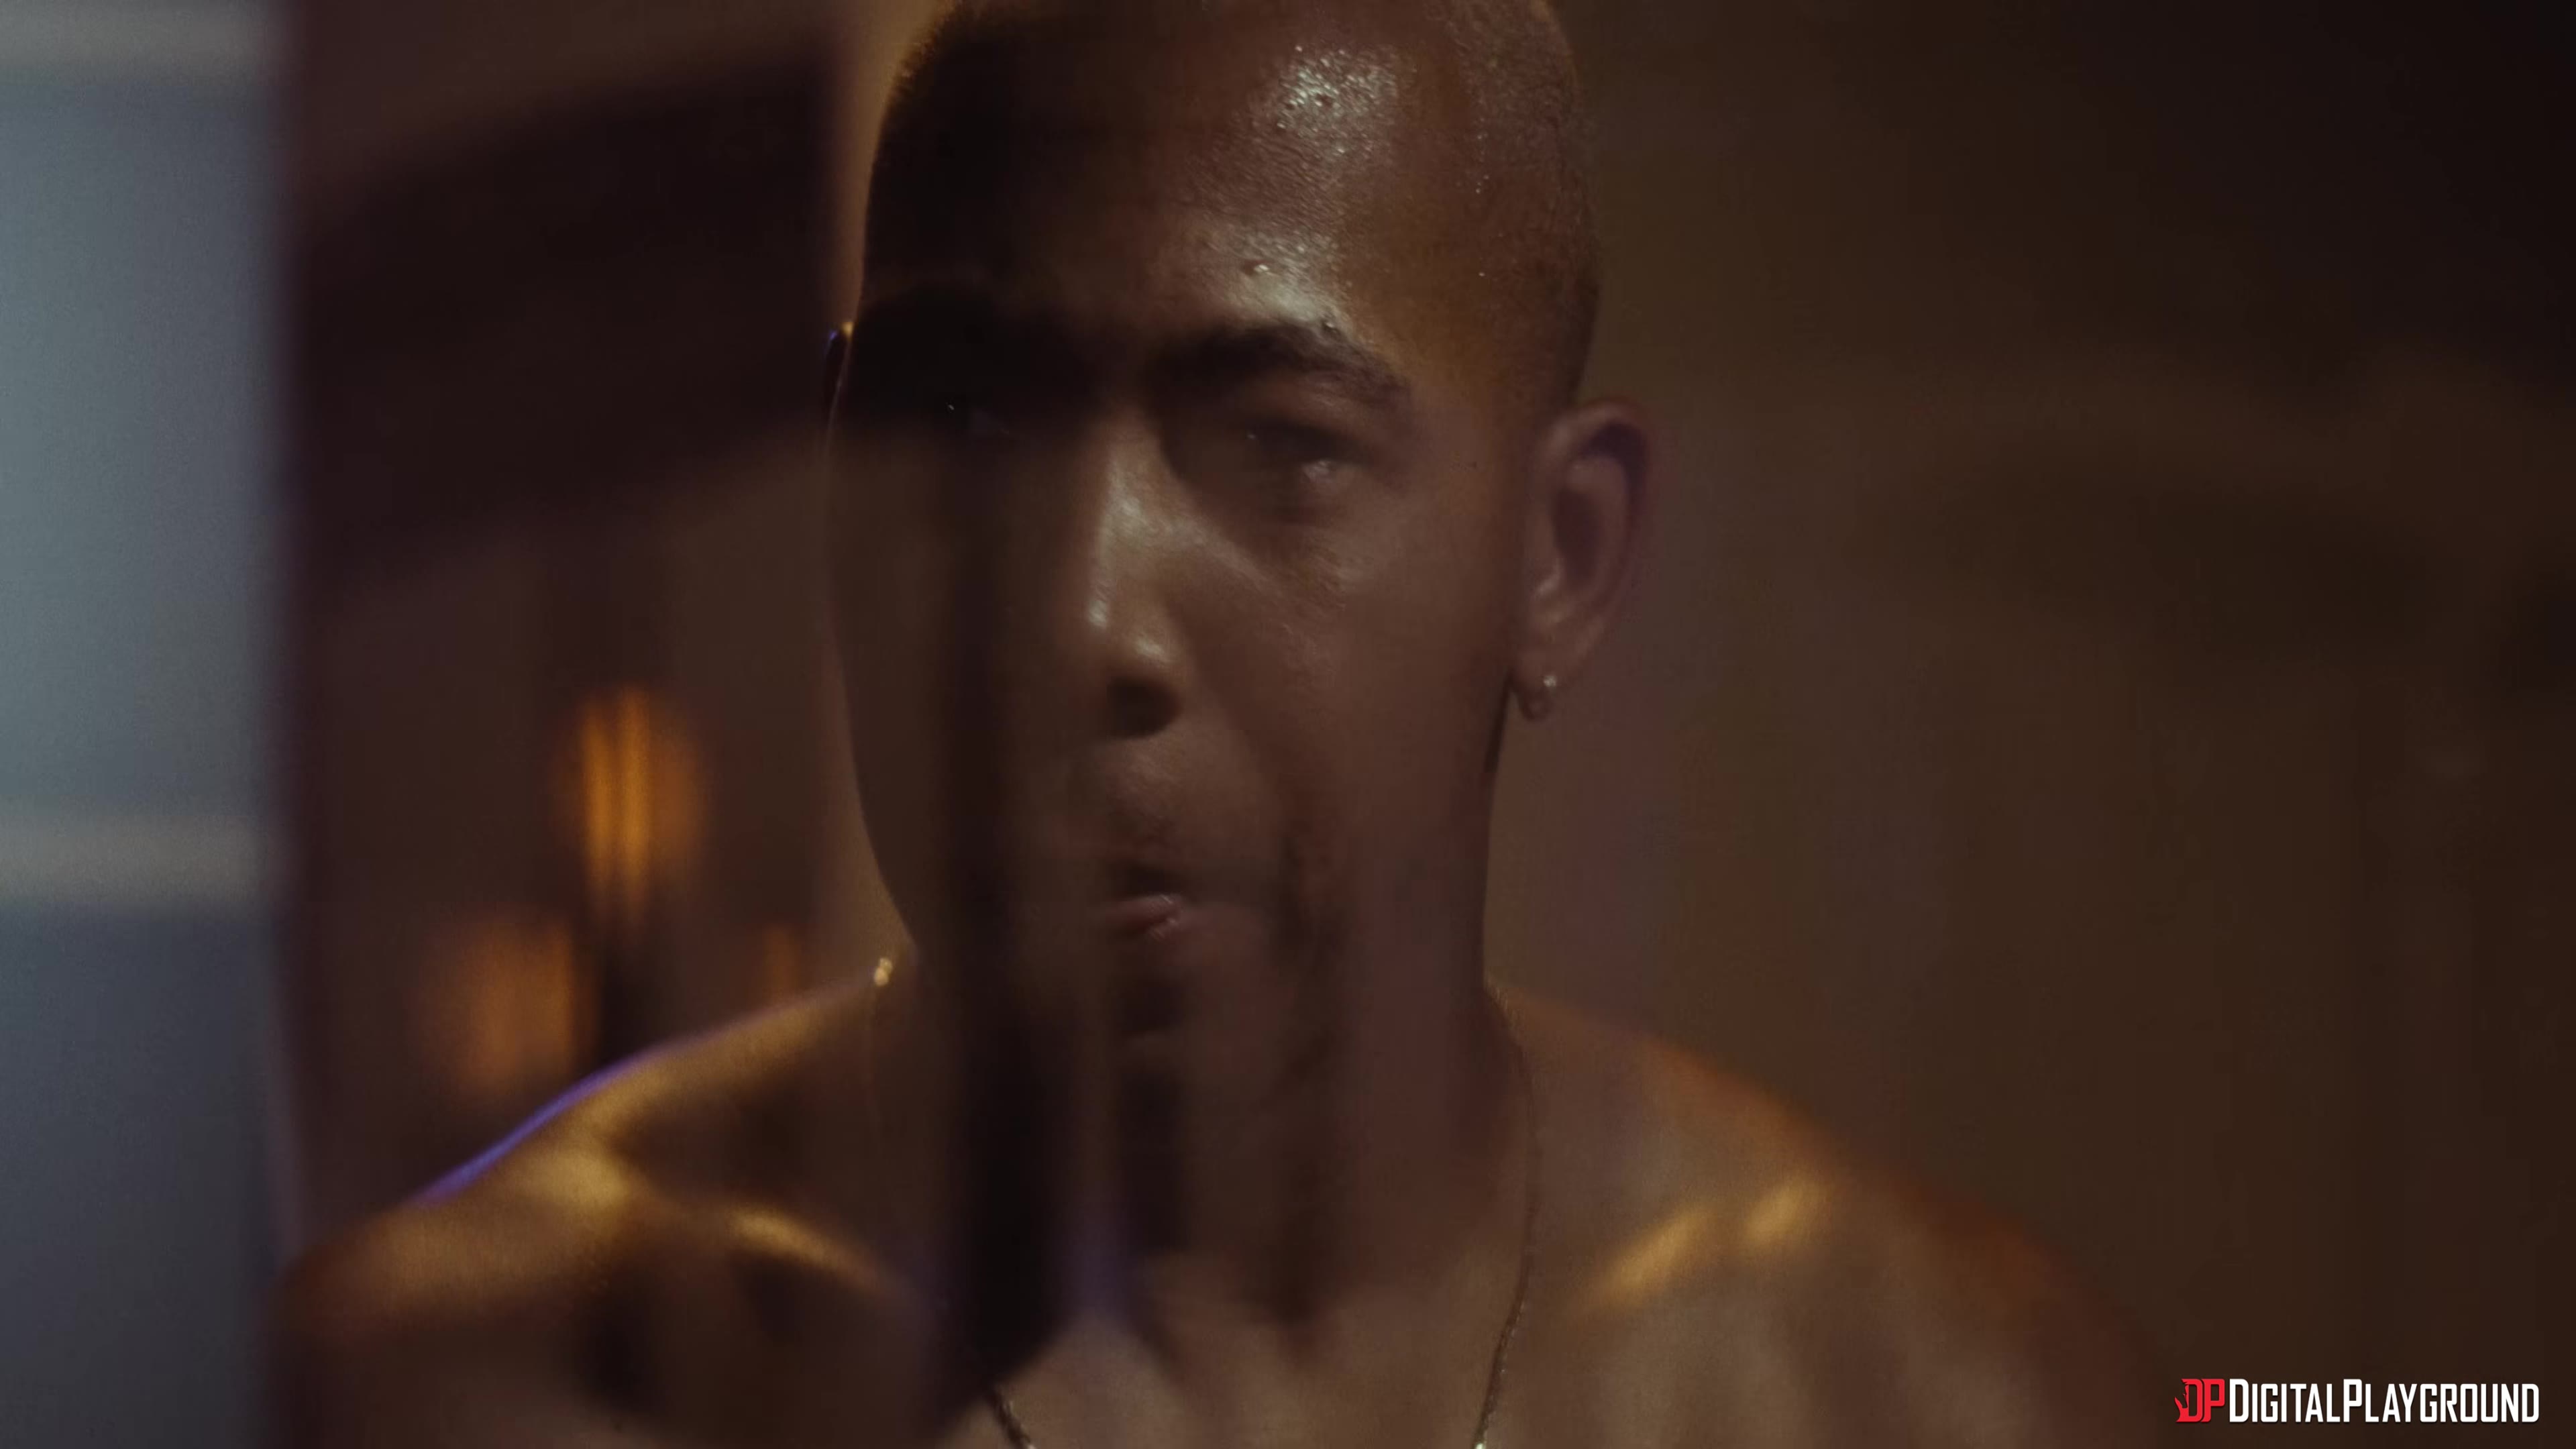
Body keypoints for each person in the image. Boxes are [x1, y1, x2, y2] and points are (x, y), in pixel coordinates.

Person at [275, 1, 2151, 1444]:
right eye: (970, 427)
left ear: (1561, 557)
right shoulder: (453, 1385)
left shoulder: (1918, 1396)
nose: (1081, 618)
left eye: (1281, 449)